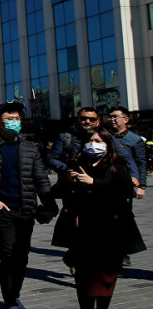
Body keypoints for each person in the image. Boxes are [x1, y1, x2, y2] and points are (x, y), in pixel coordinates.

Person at [0, 102, 58, 309]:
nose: (14, 122)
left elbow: (41, 178)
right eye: (10, 119)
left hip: (27, 208)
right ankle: (10, 301)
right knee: (8, 255)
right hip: (3, 209)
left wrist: (50, 204)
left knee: (22, 255)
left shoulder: (28, 147)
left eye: (17, 119)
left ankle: (14, 293)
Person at [51, 126, 145, 309]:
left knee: (105, 279)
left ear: (108, 145)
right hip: (83, 230)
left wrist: (94, 183)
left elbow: (124, 191)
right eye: (90, 141)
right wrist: (69, 182)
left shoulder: (118, 165)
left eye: (97, 141)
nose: (93, 145)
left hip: (110, 230)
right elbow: (56, 191)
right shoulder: (77, 164)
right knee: (84, 280)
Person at [106, 106, 146, 200]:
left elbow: (141, 162)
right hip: (105, 180)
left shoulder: (135, 139)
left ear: (126, 119)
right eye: (110, 117)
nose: (112, 120)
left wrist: (142, 186)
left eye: (115, 117)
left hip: (124, 181)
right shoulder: (104, 135)